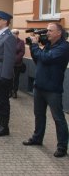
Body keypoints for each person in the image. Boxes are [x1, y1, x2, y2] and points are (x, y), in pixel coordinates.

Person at [23, 23, 69, 158]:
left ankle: (62, 146)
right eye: (47, 30)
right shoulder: (49, 45)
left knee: (58, 118)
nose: (47, 33)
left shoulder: (64, 47)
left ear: (59, 33)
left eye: (50, 30)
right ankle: (37, 138)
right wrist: (33, 46)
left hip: (53, 89)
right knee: (39, 115)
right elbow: (38, 60)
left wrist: (36, 45)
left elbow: (46, 58)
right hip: (39, 86)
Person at [11, 29, 25, 98]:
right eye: (13, 33)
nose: (14, 34)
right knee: (9, 77)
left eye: (15, 33)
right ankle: (9, 90)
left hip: (17, 63)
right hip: (9, 63)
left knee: (16, 78)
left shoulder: (21, 42)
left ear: (17, 34)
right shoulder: (9, 41)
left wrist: (15, 59)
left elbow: (22, 52)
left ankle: (14, 91)